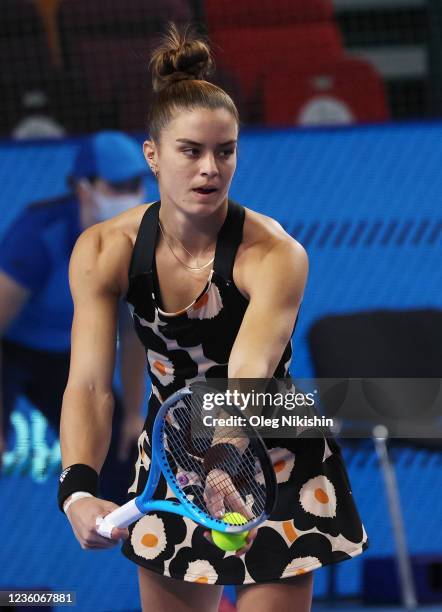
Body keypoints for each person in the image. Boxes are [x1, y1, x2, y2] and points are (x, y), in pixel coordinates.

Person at [59, 25, 368, 612]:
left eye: (224, 151)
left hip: (274, 449)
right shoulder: (104, 251)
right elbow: (91, 384)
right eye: (190, 151)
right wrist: (77, 488)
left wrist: (228, 452)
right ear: (152, 154)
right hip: (177, 456)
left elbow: (250, 367)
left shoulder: (276, 253)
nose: (210, 168)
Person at [0, 131, 147, 504]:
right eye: (117, 186)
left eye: (135, 185)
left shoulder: (132, 245)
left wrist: (133, 412)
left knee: (124, 453)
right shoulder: (38, 238)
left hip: (62, 353)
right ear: (84, 188)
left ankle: (140, 542)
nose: (129, 195)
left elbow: (132, 334)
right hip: (7, 348)